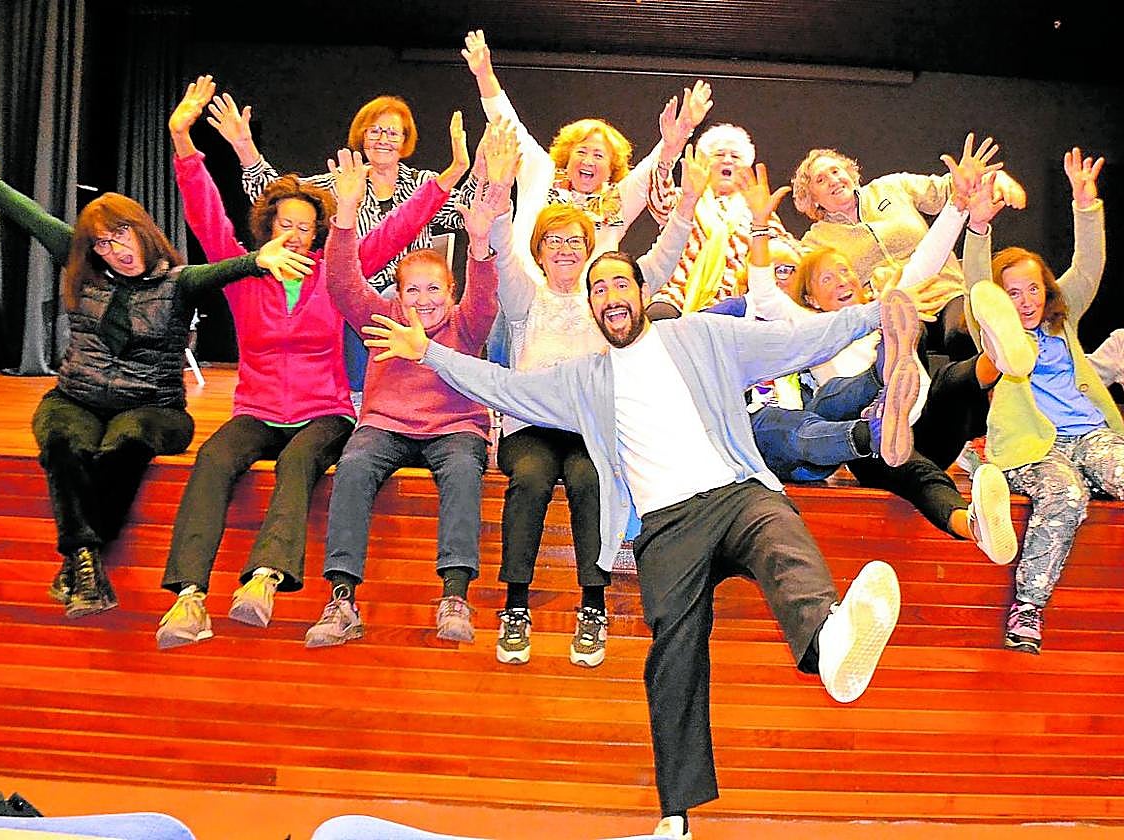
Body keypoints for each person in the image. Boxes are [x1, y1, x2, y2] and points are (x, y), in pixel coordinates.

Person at [362, 245, 957, 840]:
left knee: (780, 531)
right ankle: (675, 817)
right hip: (666, 527)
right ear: (593, 307)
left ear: (641, 293)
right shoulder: (583, 379)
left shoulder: (703, 337)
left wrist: (875, 313)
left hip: (734, 493)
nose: (611, 298)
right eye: (598, 291)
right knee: (672, 657)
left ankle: (828, 642)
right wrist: (431, 353)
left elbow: (797, 342)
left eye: (620, 285)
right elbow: (502, 386)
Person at [0, 149, 312, 619]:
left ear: (142, 230)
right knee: (63, 442)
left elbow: (222, 270)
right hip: (77, 397)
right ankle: (83, 560)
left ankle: (80, 561)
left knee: (122, 445)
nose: (115, 249)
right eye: (103, 243)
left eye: (121, 235)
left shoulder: (178, 281)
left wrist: (259, 259)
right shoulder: (85, 269)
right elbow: (33, 218)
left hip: (153, 408)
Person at [155, 77, 464, 648]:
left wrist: (445, 178)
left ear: (319, 232)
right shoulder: (244, 273)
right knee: (214, 459)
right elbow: (205, 214)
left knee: (299, 463)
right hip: (258, 409)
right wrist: (182, 138)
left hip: (323, 413)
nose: (295, 235)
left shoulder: (334, 273)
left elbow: (395, 231)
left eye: (305, 226)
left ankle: (264, 581)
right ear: (268, 229)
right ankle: (188, 597)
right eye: (284, 226)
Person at [749, 136, 1021, 566]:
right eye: (827, 278)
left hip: (926, 420)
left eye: (845, 272)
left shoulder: (882, 312)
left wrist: (958, 205)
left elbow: (927, 260)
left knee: (948, 378)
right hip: (872, 442)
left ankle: (1001, 358)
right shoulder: (809, 326)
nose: (841, 280)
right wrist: (760, 229)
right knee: (913, 470)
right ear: (811, 297)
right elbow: (764, 295)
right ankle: (974, 526)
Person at [487, 140, 708, 667]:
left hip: (589, 428)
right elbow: (497, 242)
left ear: (589, 251)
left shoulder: (604, 299)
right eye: (553, 241)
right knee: (533, 479)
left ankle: (592, 605)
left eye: (575, 241)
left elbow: (659, 262)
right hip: (531, 428)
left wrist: (687, 204)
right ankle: (516, 606)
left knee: (592, 480)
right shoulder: (524, 295)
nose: (564, 249)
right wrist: (497, 187)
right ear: (538, 251)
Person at [304, 127, 517, 648]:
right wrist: (345, 216)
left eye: (434, 290)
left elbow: (485, 291)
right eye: (412, 290)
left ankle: (455, 596)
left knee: (467, 472)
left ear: (450, 291)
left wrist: (482, 241)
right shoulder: (380, 317)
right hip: (385, 425)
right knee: (352, 467)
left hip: (454, 429)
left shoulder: (467, 322)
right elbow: (341, 281)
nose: (423, 301)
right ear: (397, 295)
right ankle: (341, 600)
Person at [207, 88, 477, 394]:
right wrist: (245, 147)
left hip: (409, 296)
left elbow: (466, 213)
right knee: (345, 300)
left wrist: (474, 168)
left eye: (392, 132)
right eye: (375, 131)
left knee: (388, 295)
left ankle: (384, 398)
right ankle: (357, 400)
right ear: (362, 136)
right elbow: (276, 196)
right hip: (351, 291)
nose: (383, 139)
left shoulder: (423, 183)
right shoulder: (341, 181)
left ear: (405, 141)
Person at [962, 147, 1122, 655]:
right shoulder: (994, 334)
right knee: (1066, 495)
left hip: (1093, 435)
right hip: (1035, 449)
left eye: (1033, 289)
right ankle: (1027, 608)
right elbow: (974, 290)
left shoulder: (1062, 320)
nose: (1026, 300)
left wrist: (1085, 205)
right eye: (1013, 292)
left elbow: (1090, 266)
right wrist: (979, 228)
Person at [462, 29, 712, 261]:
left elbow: (654, 166)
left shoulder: (619, 200)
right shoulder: (541, 174)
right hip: (524, 295)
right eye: (581, 151)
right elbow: (508, 124)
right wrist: (485, 75)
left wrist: (681, 133)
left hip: (588, 302)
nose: (588, 161)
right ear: (567, 158)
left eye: (599, 155)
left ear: (612, 167)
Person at [791, 144, 1027, 359]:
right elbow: (792, 274)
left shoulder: (892, 187)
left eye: (836, 171)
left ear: (850, 175)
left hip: (945, 291)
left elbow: (955, 189)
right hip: (896, 308)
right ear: (811, 200)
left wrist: (997, 180)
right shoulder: (817, 240)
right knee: (906, 342)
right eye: (820, 180)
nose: (833, 180)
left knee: (963, 332)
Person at [645, 122, 801, 320]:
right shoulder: (686, 198)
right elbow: (657, 199)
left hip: (731, 299)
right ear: (704, 163)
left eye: (735, 156)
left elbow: (788, 248)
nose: (727, 160)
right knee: (653, 326)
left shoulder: (756, 210)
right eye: (719, 154)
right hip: (677, 294)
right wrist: (667, 156)